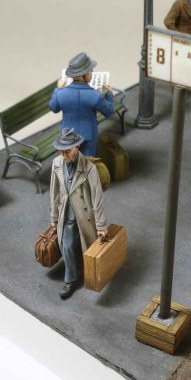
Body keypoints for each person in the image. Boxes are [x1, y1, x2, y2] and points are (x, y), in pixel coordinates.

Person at [50, 128, 108, 300]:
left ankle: (91, 272)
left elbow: (97, 197)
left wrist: (101, 225)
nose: (64, 154)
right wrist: (54, 217)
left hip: (85, 215)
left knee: (88, 247)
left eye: (67, 150)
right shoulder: (57, 163)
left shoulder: (89, 168)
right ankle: (70, 280)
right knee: (66, 245)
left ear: (77, 147)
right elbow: (54, 192)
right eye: (61, 150)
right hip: (66, 214)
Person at [49, 52, 115, 157]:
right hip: (88, 134)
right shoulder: (95, 96)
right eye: (91, 71)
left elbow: (53, 107)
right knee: (88, 161)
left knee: (69, 160)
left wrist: (58, 89)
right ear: (86, 74)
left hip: (67, 136)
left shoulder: (61, 94)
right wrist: (109, 94)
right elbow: (109, 111)